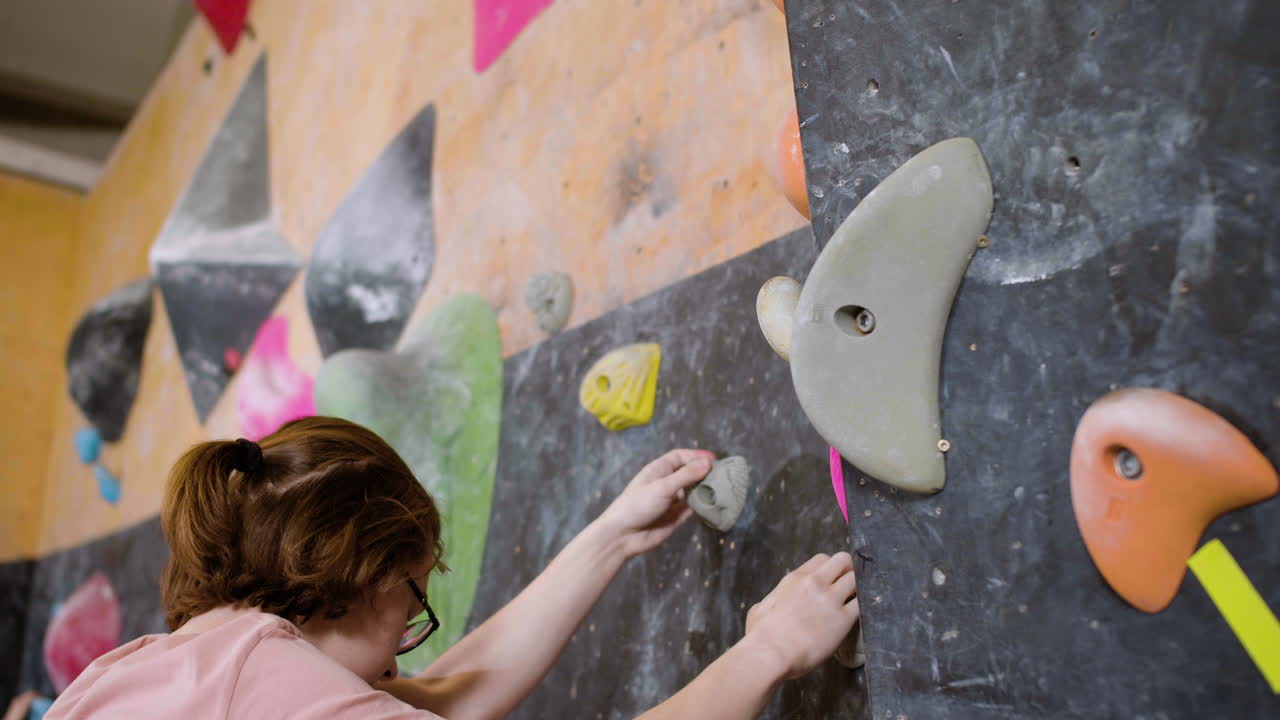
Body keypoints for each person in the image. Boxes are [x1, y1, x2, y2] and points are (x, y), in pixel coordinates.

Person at [45, 416, 859, 719]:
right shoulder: (272, 686)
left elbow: (442, 701)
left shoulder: (150, 671)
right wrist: (768, 651)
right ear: (363, 578)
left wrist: (610, 535)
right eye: (414, 591)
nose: (412, 625)